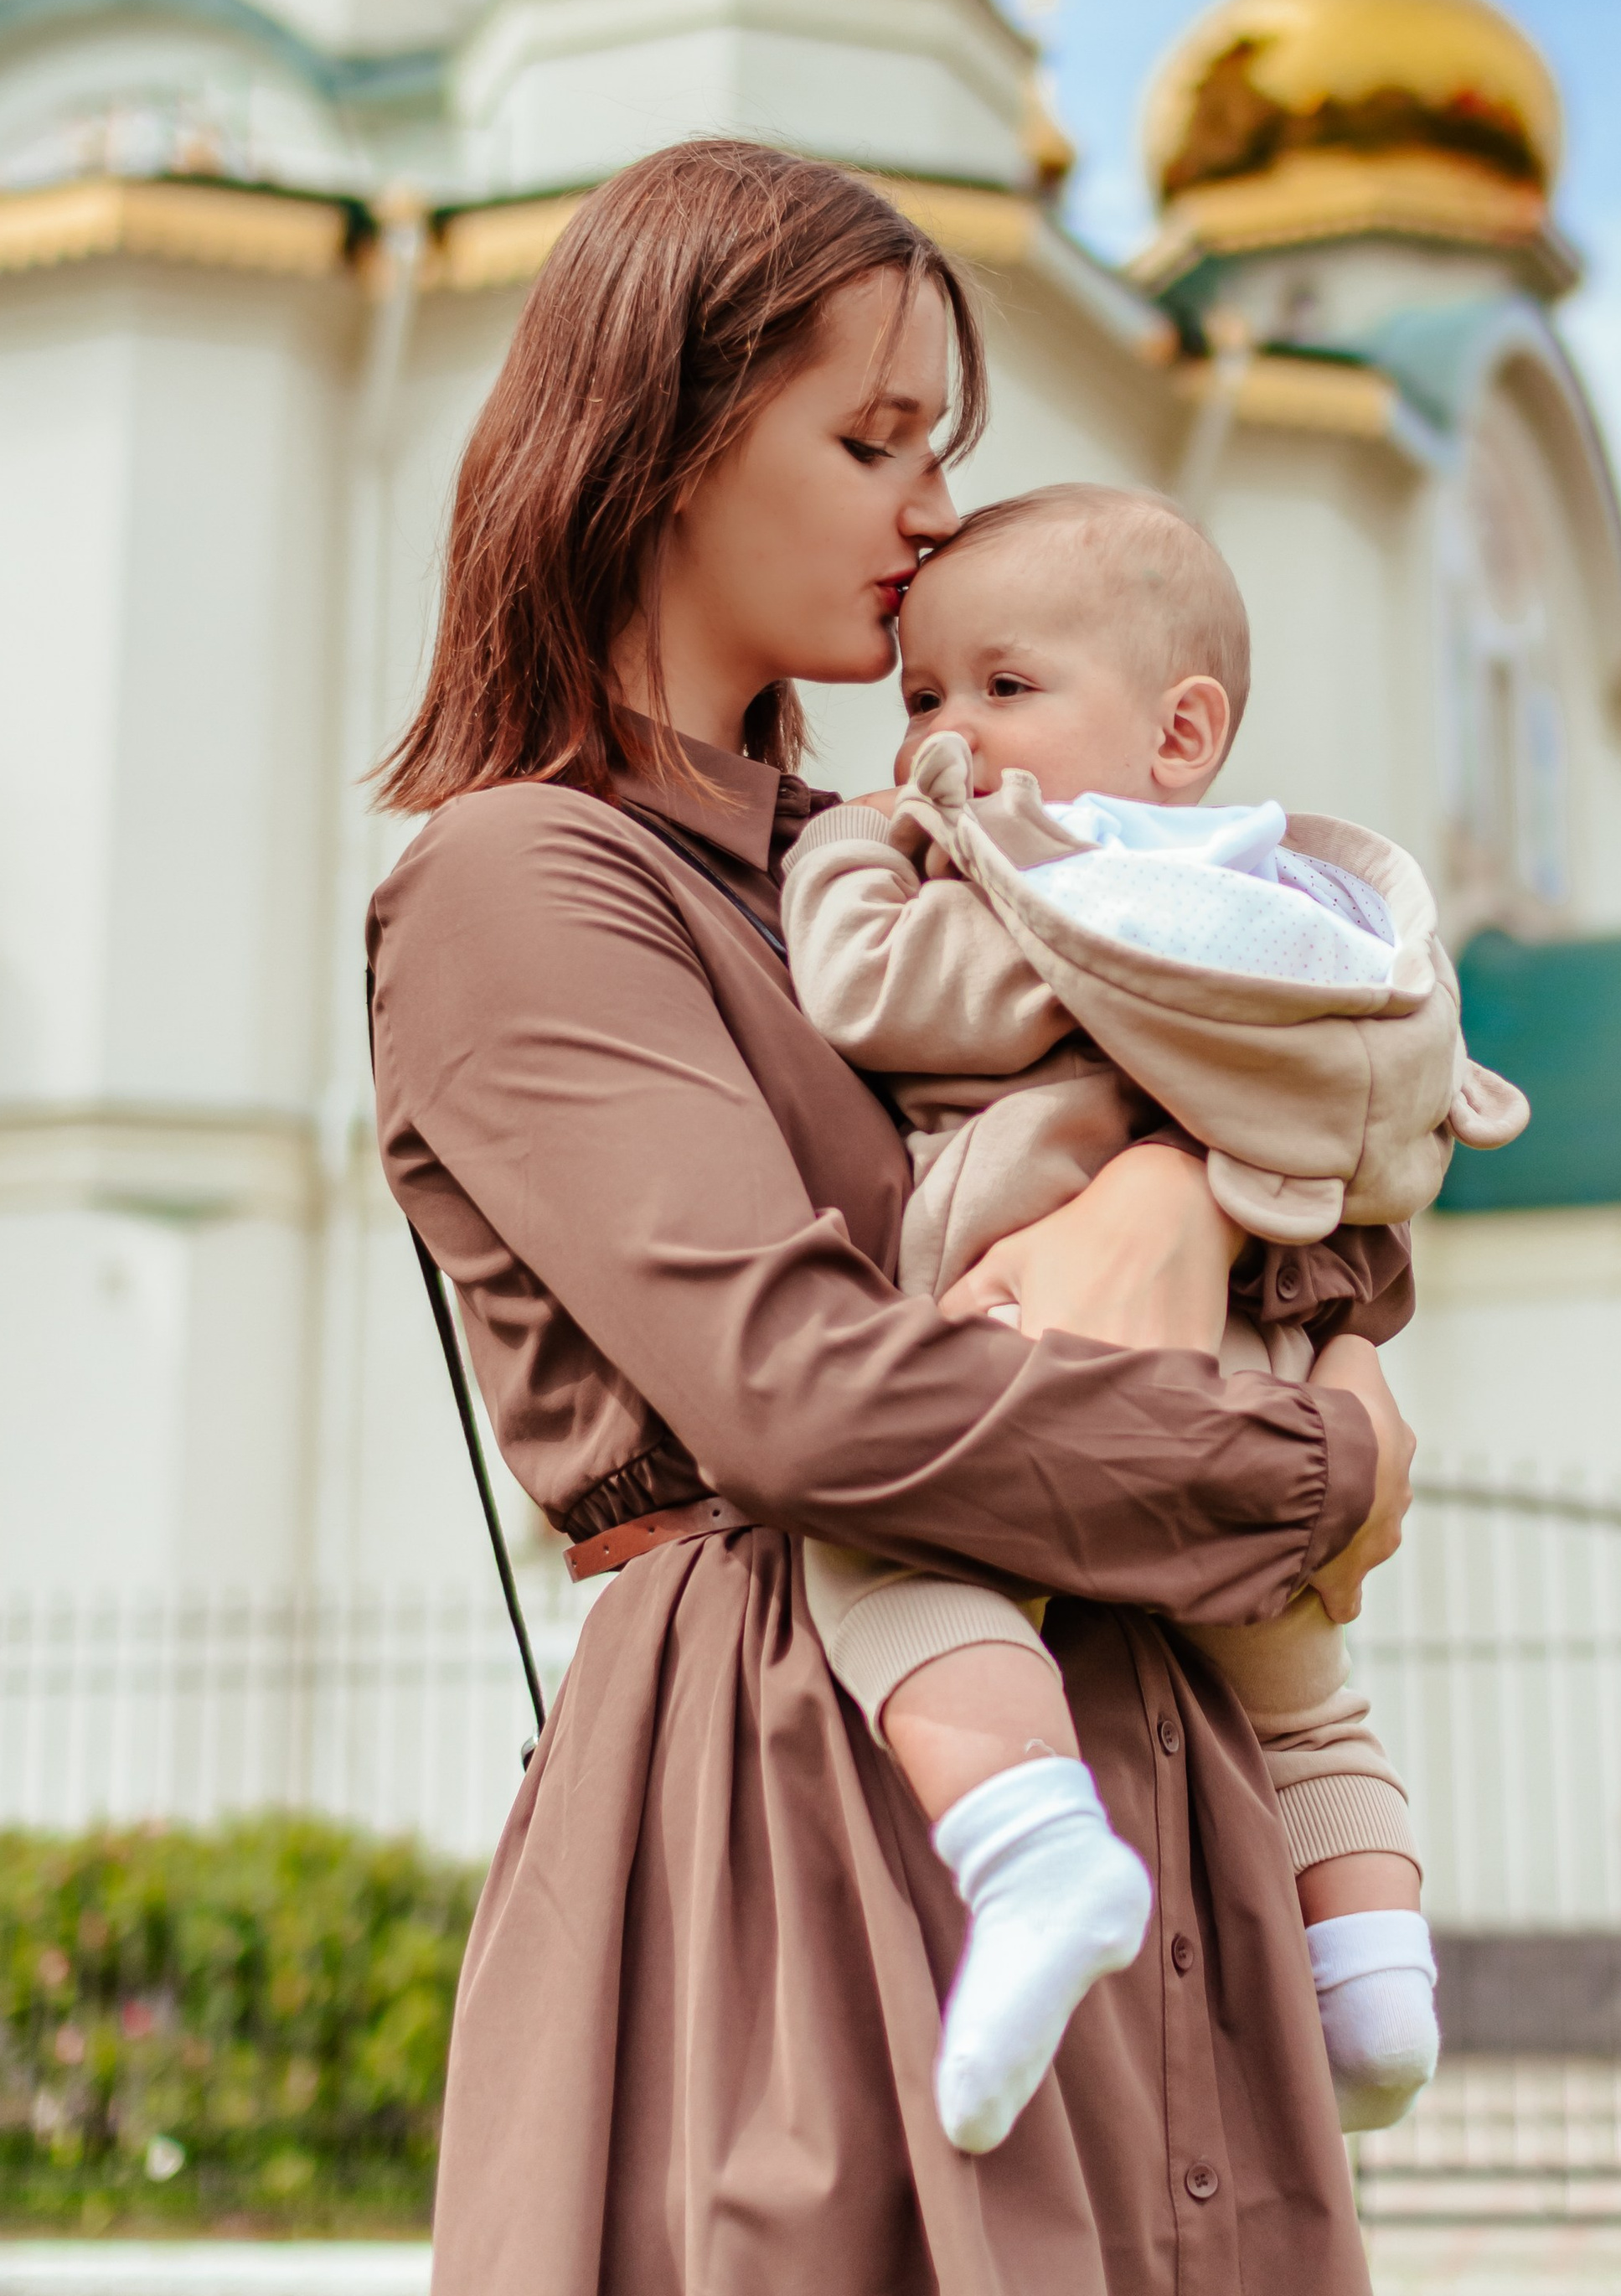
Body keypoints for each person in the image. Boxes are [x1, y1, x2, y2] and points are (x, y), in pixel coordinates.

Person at [368, 139, 1415, 2296]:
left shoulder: (928, 857)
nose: (931, 510)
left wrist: (1172, 1201)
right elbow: (795, 1402)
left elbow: (1332, 1169)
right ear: (654, 447)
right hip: (802, 1790)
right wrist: (1314, 1459)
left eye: (939, 446)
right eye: (868, 441)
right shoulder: (526, 882)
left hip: (1149, 1773)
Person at [782, 484, 1528, 2156]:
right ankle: (1376, 1975)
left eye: (1001, 690)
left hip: (1043, 1345)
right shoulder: (1313, 925)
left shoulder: (1073, 895)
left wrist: (851, 846)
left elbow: (870, 993)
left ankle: (1033, 1849)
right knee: (1307, 1694)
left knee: (892, 1564)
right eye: (916, 699)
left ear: (1179, 729)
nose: (944, 740)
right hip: (1256, 1350)